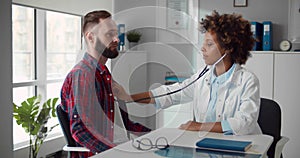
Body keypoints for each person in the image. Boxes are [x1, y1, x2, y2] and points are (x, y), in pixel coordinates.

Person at [114, 10, 262, 135]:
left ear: (229, 48)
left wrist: (198, 126)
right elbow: (170, 93)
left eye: (209, 44)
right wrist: (128, 97)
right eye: (204, 43)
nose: (202, 49)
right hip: (208, 145)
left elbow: (245, 123)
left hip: (244, 147)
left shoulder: (247, 80)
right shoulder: (202, 78)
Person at [59, 10, 150, 158]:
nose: (116, 39)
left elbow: (123, 123)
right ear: (91, 37)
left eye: (116, 33)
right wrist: (115, 152)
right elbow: (81, 131)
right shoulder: (82, 75)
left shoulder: (104, 73)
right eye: (109, 34)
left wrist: (153, 135)